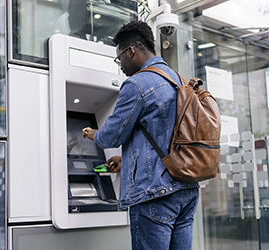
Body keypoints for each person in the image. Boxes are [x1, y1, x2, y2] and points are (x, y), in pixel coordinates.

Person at [82, 20, 199, 250]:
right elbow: (168, 140)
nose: (121, 66)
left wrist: (94, 133)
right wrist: (126, 161)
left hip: (155, 195)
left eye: (119, 59)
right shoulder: (179, 80)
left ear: (131, 51)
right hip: (186, 190)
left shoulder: (137, 84)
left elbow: (110, 138)